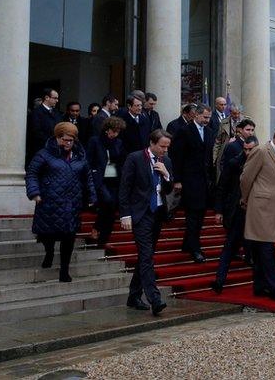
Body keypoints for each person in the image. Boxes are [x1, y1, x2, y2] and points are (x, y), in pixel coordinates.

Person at [25, 122, 95, 283]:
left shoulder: (79, 155)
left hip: (72, 202)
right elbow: (32, 173)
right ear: (57, 138)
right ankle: (49, 252)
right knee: (47, 234)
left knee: (69, 236)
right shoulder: (44, 154)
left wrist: (91, 196)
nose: (68, 143)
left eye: (71, 140)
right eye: (65, 140)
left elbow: (88, 177)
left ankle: (64, 270)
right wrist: (34, 193)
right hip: (49, 201)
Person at [118, 129, 174, 316]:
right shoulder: (135, 158)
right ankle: (154, 298)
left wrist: (167, 175)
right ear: (152, 143)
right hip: (140, 213)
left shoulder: (166, 161)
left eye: (167, 147)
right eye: (162, 146)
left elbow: (168, 189)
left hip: (157, 212)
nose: (165, 150)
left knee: (145, 256)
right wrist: (125, 214)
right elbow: (125, 187)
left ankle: (133, 296)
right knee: (147, 254)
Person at [240, 125, 275, 300]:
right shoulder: (261, 151)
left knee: (261, 248)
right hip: (260, 207)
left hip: (272, 207)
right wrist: (246, 200)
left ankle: (260, 286)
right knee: (266, 249)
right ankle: (274, 288)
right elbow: (246, 177)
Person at [210, 134, 260, 294]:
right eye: (245, 149)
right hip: (237, 212)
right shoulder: (234, 163)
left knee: (256, 250)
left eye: (250, 149)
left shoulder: (262, 164)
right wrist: (218, 211)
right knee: (230, 246)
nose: (247, 152)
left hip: (255, 213)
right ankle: (219, 280)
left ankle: (260, 285)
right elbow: (222, 187)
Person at [170, 104, 214, 263]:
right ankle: (195, 248)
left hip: (203, 181)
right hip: (188, 180)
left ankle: (187, 244)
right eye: (205, 117)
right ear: (196, 115)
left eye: (209, 118)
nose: (207, 121)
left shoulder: (209, 132)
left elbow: (209, 158)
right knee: (193, 215)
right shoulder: (184, 131)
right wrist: (178, 180)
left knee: (200, 215)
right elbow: (177, 156)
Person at [88, 116, 127, 248]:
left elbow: (121, 160)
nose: (115, 134)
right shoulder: (95, 141)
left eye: (118, 131)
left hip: (115, 178)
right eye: (113, 131)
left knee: (111, 208)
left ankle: (102, 238)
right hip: (100, 178)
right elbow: (89, 159)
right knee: (107, 202)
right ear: (107, 130)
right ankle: (96, 229)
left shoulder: (119, 143)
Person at [213, 110, 253, 176]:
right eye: (234, 113)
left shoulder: (247, 121)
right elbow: (218, 142)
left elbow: (253, 138)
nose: (237, 115)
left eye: (238, 113)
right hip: (226, 151)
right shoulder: (224, 122)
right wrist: (214, 159)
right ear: (230, 113)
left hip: (241, 149)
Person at [27, 88, 60, 160]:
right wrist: (52, 141)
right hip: (41, 150)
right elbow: (36, 132)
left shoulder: (57, 113)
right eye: (55, 98)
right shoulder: (36, 113)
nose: (57, 101)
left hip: (55, 150)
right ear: (47, 98)